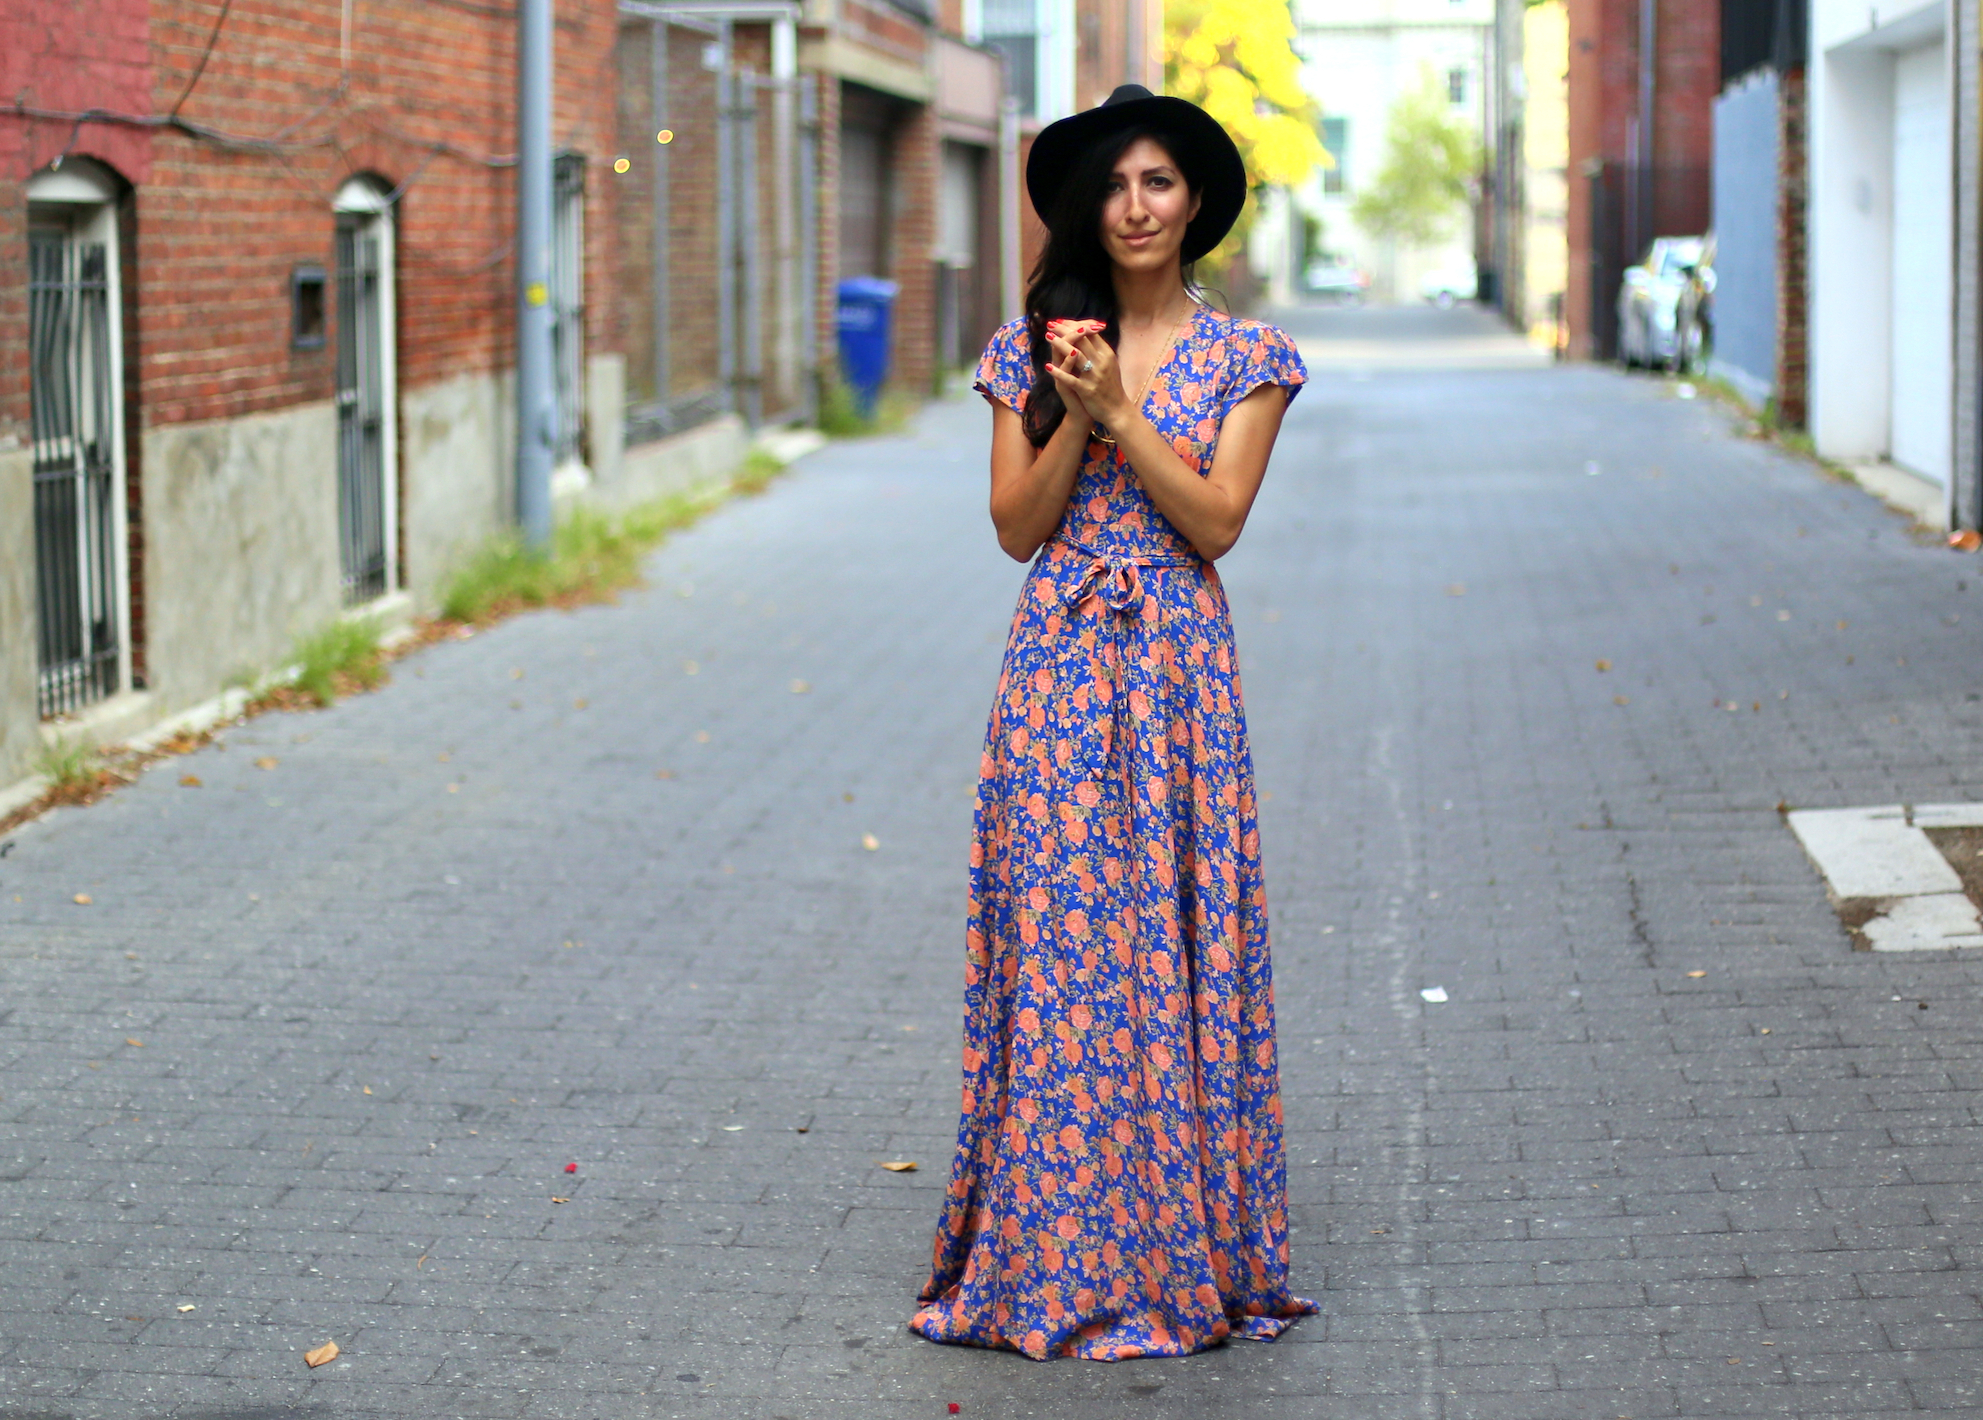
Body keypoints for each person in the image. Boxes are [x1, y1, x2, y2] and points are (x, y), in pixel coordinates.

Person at [909, 84, 1315, 1362]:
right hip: (1057, 680)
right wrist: (1074, 413)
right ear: (1088, 205)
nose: (1135, 207)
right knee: (1062, 949)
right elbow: (1016, 530)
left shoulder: (1249, 359)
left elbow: (1215, 523)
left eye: (1159, 183)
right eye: (1116, 186)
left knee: (1176, 941)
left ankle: (1182, 1244)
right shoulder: (1032, 348)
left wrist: (1126, 416)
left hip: (1182, 683)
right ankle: (1058, 1240)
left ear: (1193, 202)